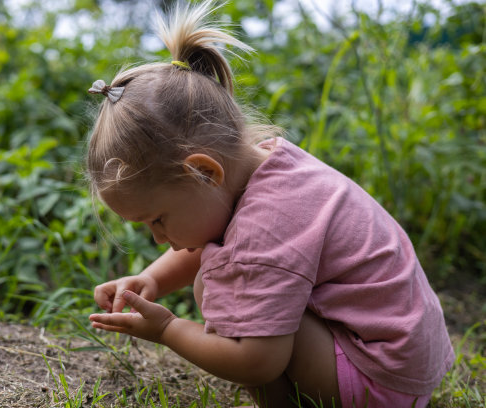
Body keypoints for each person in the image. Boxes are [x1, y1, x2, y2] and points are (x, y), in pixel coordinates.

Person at [86, 1, 454, 406]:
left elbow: (256, 362)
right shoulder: (270, 167)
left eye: (157, 219)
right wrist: (152, 280)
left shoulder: (268, 222)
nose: (158, 238)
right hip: (403, 361)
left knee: (217, 289)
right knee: (221, 280)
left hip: (380, 381)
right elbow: (224, 241)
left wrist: (168, 330)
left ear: (204, 173)